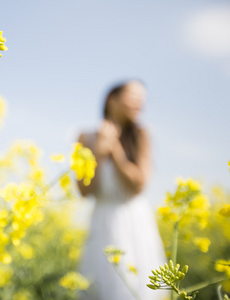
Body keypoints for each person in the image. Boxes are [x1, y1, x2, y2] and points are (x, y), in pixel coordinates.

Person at [77, 80, 167, 300]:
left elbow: (139, 185)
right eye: (134, 97)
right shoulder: (85, 138)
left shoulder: (142, 134)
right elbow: (85, 191)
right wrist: (98, 152)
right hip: (102, 220)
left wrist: (115, 149)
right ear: (112, 100)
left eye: (142, 100)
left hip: (135, 219)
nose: (140, 104)